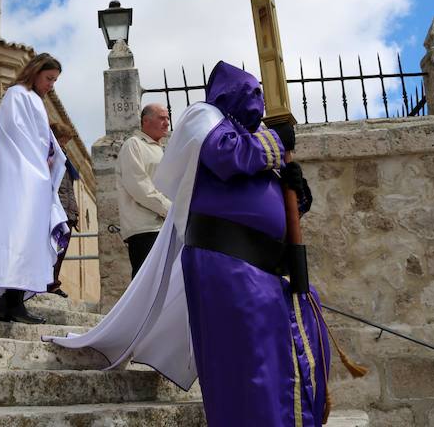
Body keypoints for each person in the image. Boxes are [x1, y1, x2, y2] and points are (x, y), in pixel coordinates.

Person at [47, 62, 328, 427]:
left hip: (269, 271)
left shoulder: (252, 137)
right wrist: (276, 142)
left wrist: (293, 188)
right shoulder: (205, 116)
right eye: (252, 90)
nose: (259, 98)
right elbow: (226, 156)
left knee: (281, 364)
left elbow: (264, 199)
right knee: (248, 369)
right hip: (231, 264)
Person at [0, 53, 68, 324]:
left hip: (35, 178)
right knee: (17, 234)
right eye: (49, 78)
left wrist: (50, 154)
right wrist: (41, 158)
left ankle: (12, 301)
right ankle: (10, 301)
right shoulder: (16, 95)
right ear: (36, 72)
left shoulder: (36, 101)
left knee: (27, 238)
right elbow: (14, 133)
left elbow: (42, 138)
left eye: (55, 81)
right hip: (21, 177)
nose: (51, 84)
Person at [116, 103, 171, 277]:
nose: (167, 123)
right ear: (146, 121)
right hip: (144, 229)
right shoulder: (133, 145)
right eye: (162, 118)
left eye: (168, 118)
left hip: (165, 227)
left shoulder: (162, 149)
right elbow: (139, 186)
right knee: (146, 284)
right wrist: (170, 208)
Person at [48, 122, 81, 298]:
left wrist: (74, 212)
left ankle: (53, 282)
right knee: (52, 249)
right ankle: (48, 283)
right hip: (55, 210)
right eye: (62, 141)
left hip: (66, 212)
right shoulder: (50, 156)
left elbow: (69, 189)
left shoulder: (65, 160)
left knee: (61, 250)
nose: (64, 145)